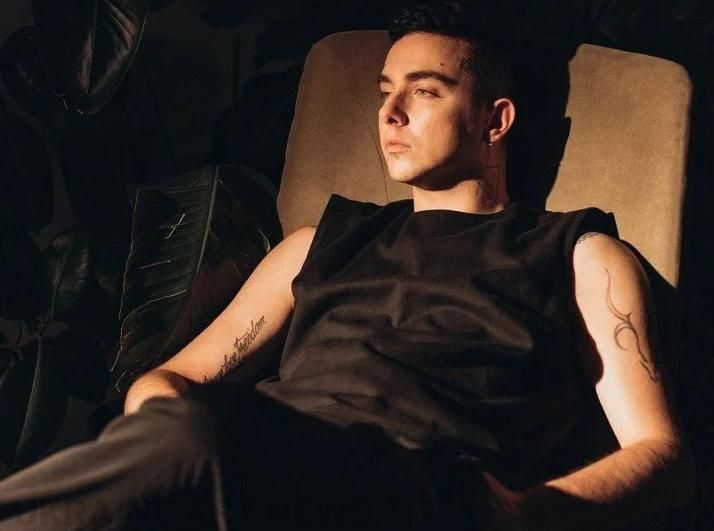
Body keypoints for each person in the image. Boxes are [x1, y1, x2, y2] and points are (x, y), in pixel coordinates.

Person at [0, 2, 694, 530]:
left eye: (424, 91)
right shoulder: (319, 242)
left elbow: (663, 456)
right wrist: (163, 437)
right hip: (251, 464)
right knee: (189, 435)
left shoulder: (579, 254)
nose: (389, 112)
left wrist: (516, 512)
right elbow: (170, 377)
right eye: (385, 90)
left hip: (421, 484)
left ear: (495, 120)